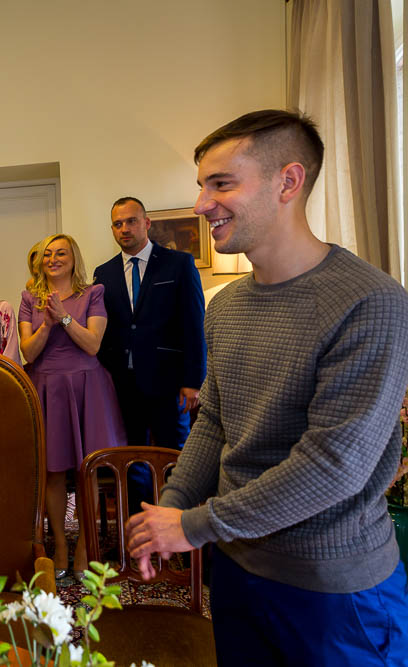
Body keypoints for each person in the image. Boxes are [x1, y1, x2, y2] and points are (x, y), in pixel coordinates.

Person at [126, 110, 408, 665]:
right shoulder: (225, 307)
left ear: (288, 181)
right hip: (236, 571)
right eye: (201, 185)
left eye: (222, 183)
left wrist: (192, 524)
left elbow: (334, 464)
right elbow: (215, 421)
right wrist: (173, 508)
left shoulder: (371, 302)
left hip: (333, 590)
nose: (202, 203)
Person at [18, 233, 126, 578]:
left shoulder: (93, 294)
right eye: (47, 253)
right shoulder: (27, 299)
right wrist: (47, 325)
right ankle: (60, 548)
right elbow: (28, 352)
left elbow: (93, 344)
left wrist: (64, 316)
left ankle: (84, 548)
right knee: (52, 472)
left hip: (86, 389)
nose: (53, 259)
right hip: (47, 387)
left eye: (61, 253)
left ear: (73, 258)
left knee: (86, 471)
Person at [93, 196, 206, 510]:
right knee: (131, 458)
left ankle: (180, 526)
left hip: (169, 382)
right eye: (117, 223)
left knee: (175, 456)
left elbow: (194, 324)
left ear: (146, 223)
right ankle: (139, 527)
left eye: (130, 221)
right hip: (122, 384)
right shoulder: (104, 273)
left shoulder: (178, 264)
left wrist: (193, 380)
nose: (124, 229)